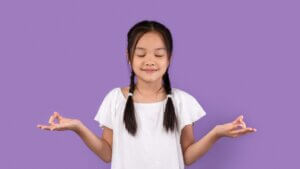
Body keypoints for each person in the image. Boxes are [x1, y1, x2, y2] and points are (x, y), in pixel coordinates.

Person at [37, 20, 256, 169]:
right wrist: (77, 126)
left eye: (158, 54)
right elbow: (107, 154)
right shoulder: (115, 99)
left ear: (169, 58)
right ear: (128, 57)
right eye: (141, 54)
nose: (150, 61)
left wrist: (216, 133)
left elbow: (186, 157)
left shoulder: (181, 101)